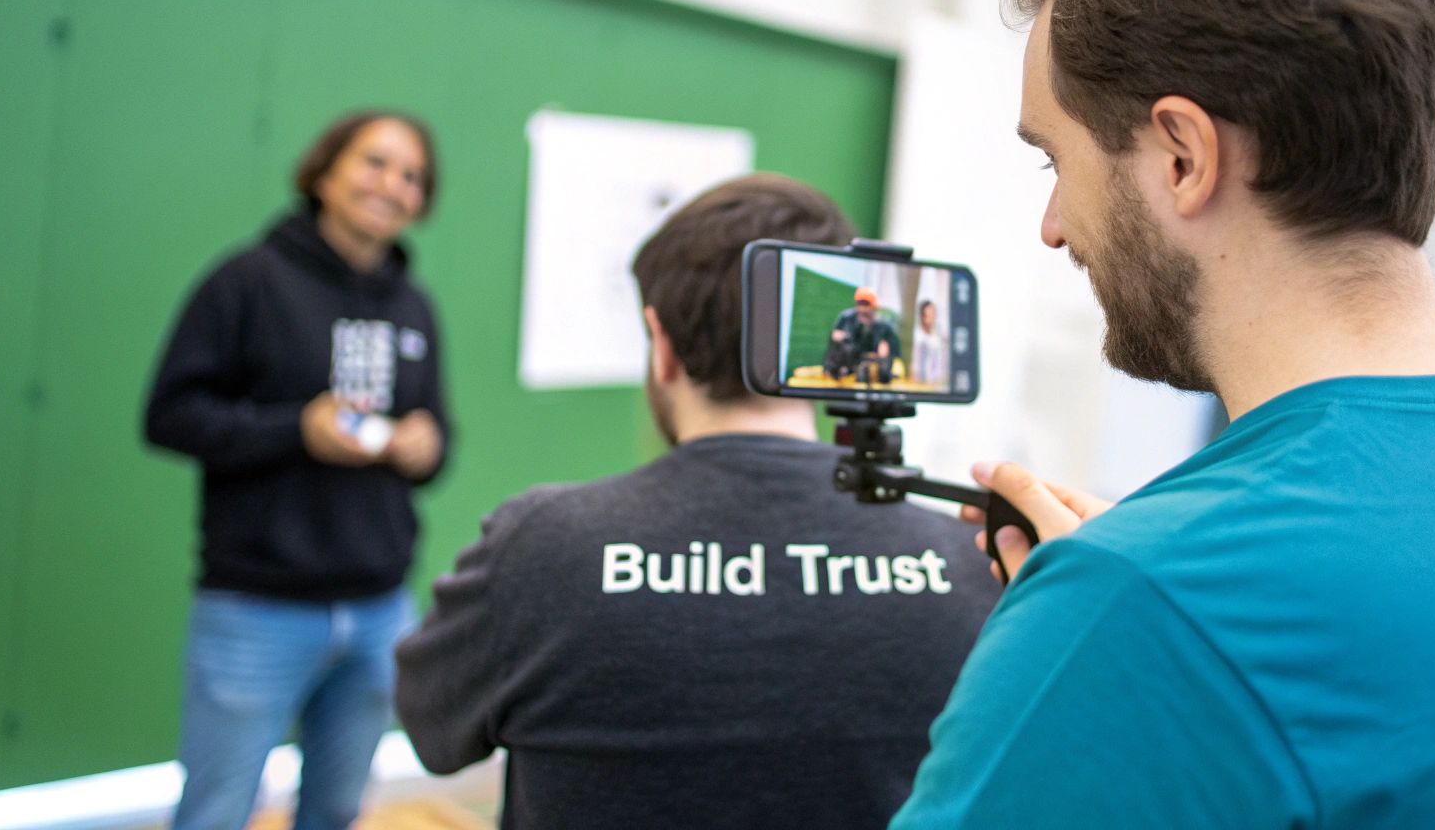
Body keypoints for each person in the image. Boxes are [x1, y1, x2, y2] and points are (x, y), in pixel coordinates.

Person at [894, 0, 1435, 828]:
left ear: (1181, 155)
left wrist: (1096, 637)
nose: (1051, 224)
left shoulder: (1139, 606)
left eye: (1054, 158)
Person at [394, 173, 999, 830]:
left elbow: (432, 729)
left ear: (661, 344)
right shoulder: (975, 557)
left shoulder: (540, 546)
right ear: (825, 348)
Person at [144, 110, 450, 830]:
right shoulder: (246, 281)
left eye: (412, 176)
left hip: (379, 608)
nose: (392, 185)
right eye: (374, 162)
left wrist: (425, 448)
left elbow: (438, 439)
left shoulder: (416, 306)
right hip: (257, 607)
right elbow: (170, 416)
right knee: (217, 811)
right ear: (323, 171)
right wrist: (295, 430)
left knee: (338, 809)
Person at [827, 287, 900, 383]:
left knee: (881, 369)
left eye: (866, 305)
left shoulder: (884, 326)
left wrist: (884, 354)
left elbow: (892, 352)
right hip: (850, 361)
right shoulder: (847, 318)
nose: (862, 309)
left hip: (873, 363)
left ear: (874, 307)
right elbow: (835, 337)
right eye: (860, 304)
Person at [911, 299, 947, 386]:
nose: (933, 317)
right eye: (929, 314)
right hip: (924, 383)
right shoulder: (918, 337)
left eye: (934, 313)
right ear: (923, 316)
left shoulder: (939, 334)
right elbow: (917, 365)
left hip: (939, 382)